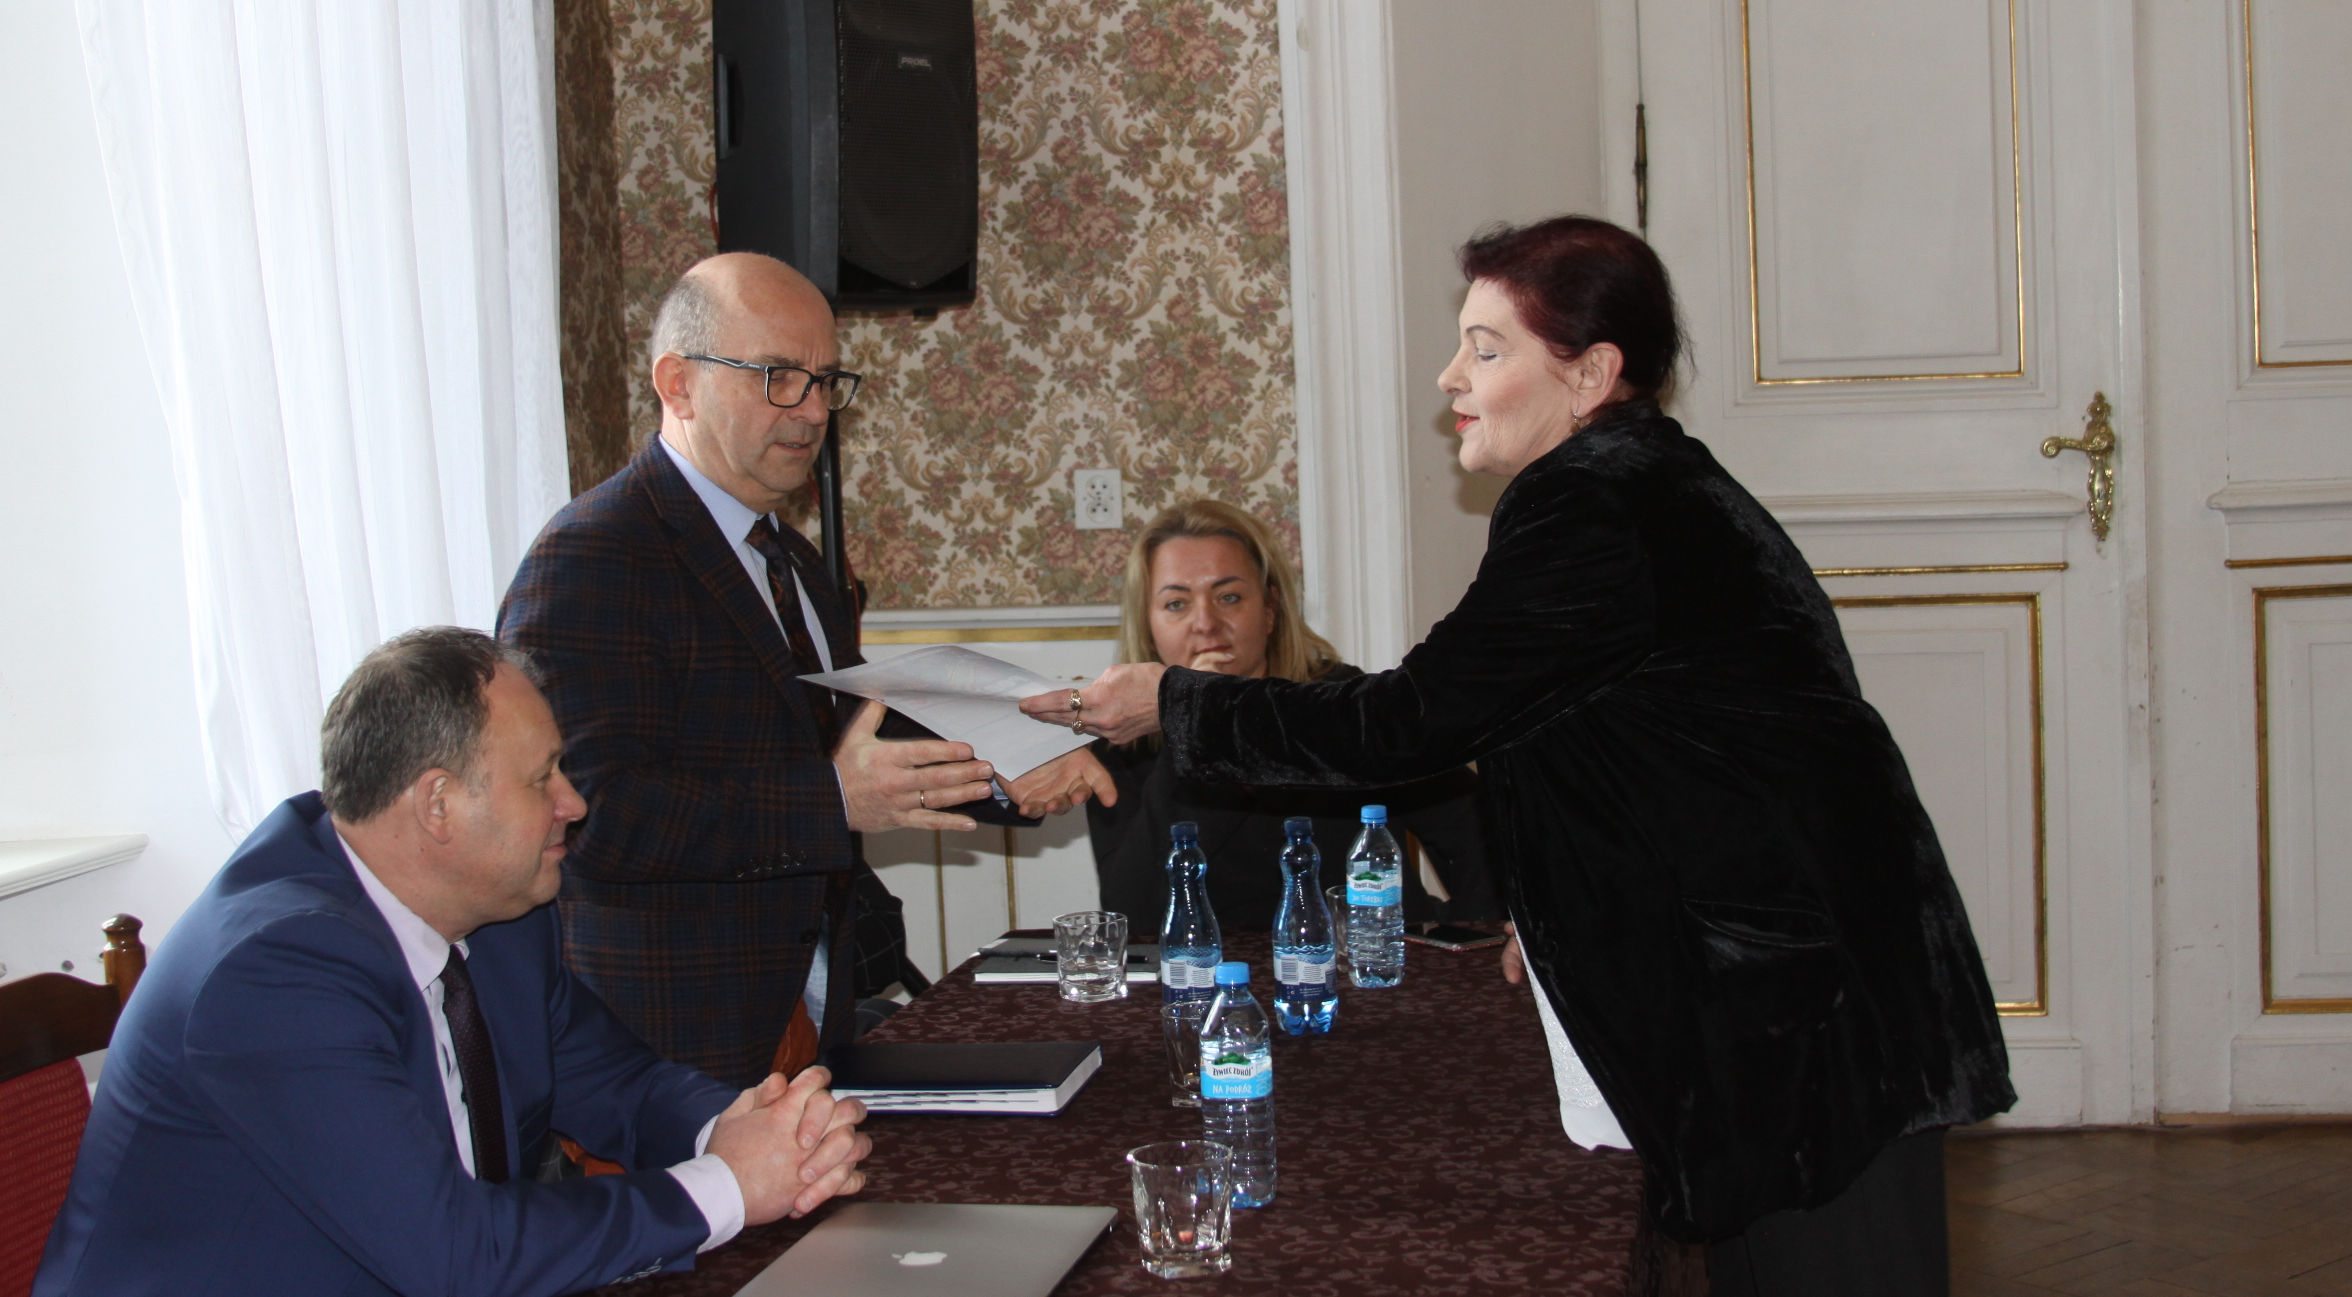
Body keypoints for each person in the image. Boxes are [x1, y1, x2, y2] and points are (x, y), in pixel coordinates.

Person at [1027, 216, 2013, 1293]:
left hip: (1808, 1007)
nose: (1450, 376)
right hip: (1800, 987)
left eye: (1486, 349)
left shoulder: (1595, 504)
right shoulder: (1639, 482)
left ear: (1590, 373)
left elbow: (1411, 723)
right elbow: (1582, 741)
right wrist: (1552, 918)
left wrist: (1176, 701)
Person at [36, 628, 871, 1297]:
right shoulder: (278, 972)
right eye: (542, 779)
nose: (574, 802)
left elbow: (616, 1081)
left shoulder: (497, 910)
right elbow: (456, 1258)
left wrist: (749, 1131)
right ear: (438, 804)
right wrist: (726, 1187)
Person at [499, 253, 1086, 1085]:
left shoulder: (793, 561)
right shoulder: (595, 557)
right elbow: (598, 816)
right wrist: (833, 800)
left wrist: (1012, 765)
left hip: (808, 1022)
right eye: (778, 377)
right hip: (668, 1053)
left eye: (826, 381)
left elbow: (850, 739)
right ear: (678, 385)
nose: (812, 411)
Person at [1082, 498, 1493, 928]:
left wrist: (1474, 940)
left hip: (1363, 960)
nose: (1205, 623)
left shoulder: (1344, 703)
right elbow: (1134, 912)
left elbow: (1475, 831)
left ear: (1270, 609)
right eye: (1176, 604)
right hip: (1216, 966)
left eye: (1229, 597)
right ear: (1148, 626)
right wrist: (1195, 725)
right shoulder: (1123, 744)